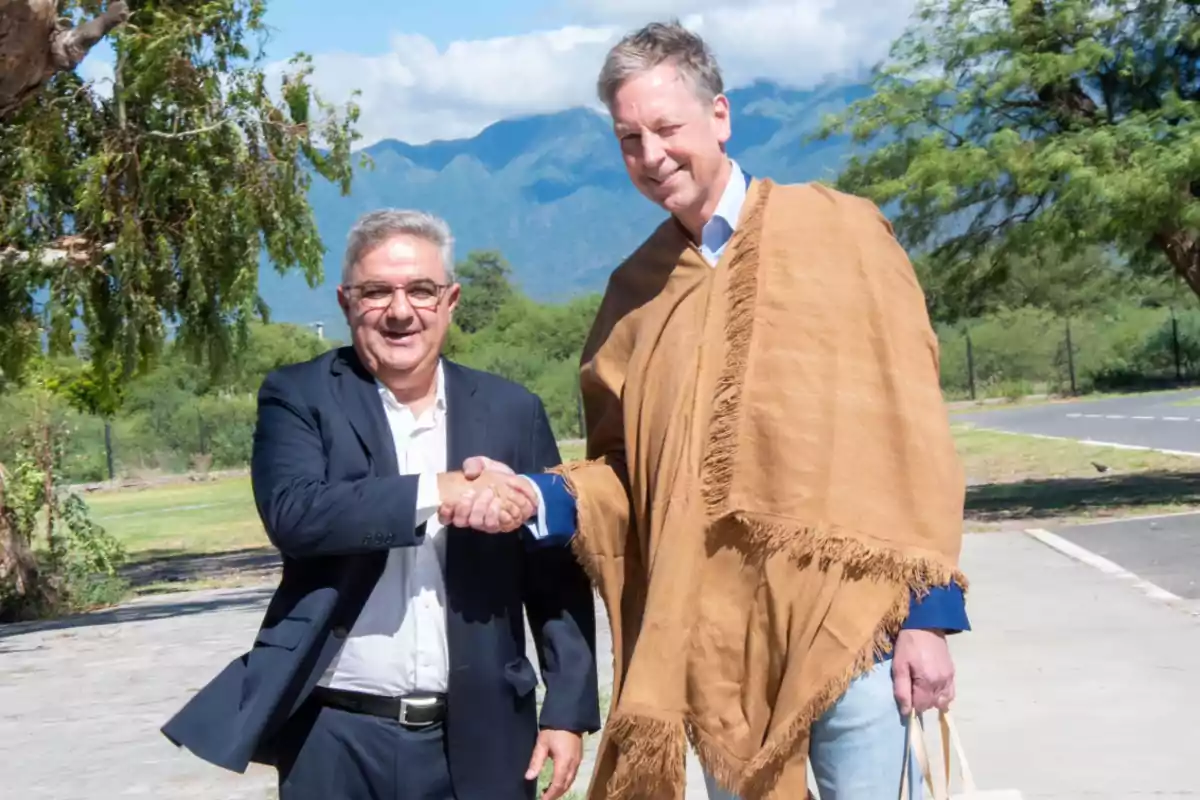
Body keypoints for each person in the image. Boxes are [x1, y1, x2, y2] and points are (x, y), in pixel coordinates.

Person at [442, 21, 971, 800]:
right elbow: (626, 473)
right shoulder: (634, 295)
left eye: (666, 128)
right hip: (720, 645)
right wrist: (538, 496)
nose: (651, 156)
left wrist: (930, 615)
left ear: (719, 116)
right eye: (629, 139)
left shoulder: (842, 231)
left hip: (859, 626)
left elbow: (912, 427)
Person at [160, 209, 602, 800]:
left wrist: (566, 709)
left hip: (484, 732)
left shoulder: (511, 410)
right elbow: (295, 515)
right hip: (333, 735)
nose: (400, 311)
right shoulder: (299, 396)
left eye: (421, 290)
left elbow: (554, 572)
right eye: (377, 292)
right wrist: (437, 489)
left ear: (450, 301)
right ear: (346, 302)